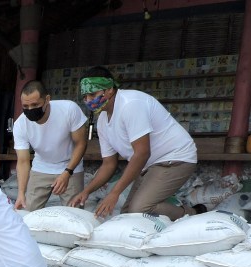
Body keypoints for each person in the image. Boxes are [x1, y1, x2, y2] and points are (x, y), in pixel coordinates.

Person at [69, 66, 205, 221]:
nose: (88, 101)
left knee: (140, 209)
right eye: (85, 97)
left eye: (92, 94)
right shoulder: (102, 122)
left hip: (175, 159)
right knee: (128, 214)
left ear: (109, 90)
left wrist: (114, 193)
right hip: (149, 165)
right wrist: (87, 191)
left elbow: (142, 153)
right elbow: (108, 164)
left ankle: (192, 214)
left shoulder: (131, 104)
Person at [13, 80, 88, 211]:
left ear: (47, 99)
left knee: (74, 214)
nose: (30, 110)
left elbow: (81, 144)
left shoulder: (69, 109)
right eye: (25, 106)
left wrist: (67, 173)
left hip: (70, 166)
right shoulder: (20, 124)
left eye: (35, 104)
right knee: (28, 210)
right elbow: (23, 161)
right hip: (41, 166)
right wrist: (20, 193)